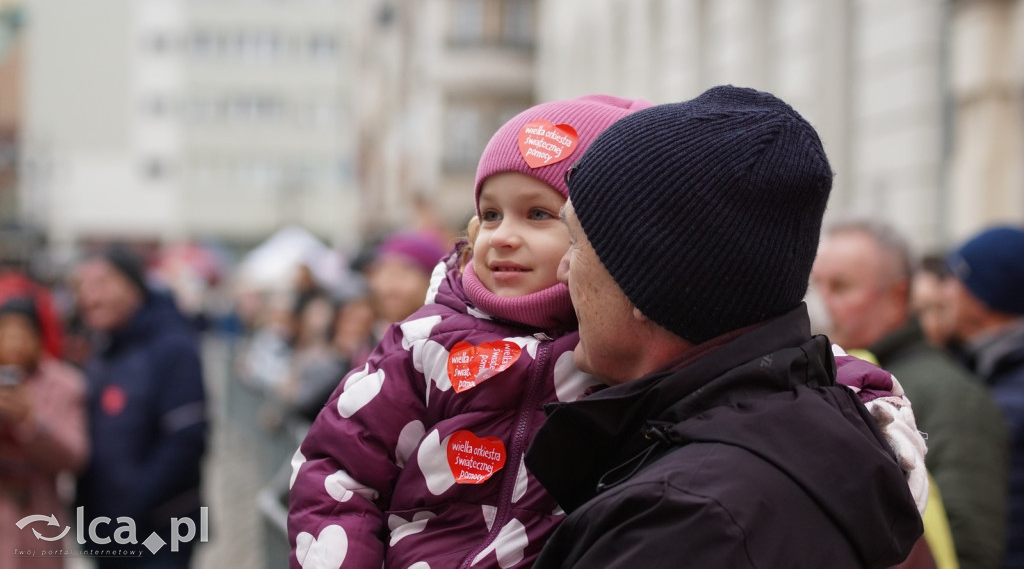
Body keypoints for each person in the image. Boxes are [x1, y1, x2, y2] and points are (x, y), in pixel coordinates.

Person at [289, 92, 926, 569]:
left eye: (555, 222)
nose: (509, 238)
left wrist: (879, 411)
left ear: (644, 278)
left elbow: (831, 371)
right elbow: (335, 469)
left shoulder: (688, 512)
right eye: (488, 215)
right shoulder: (429, 338)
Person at [523, 86, 924, 569]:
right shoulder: (800, 441)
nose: (563, 270)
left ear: (649, 282)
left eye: (576, 241)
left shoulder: (684, 522)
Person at [812, 220, 1008, 569]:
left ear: (897, 295)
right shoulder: (829, 380)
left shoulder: (948, 393)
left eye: (840, 288)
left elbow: (970, 545)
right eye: (817, 286)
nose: (823, 303)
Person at [73, 246, 208, 568]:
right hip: (109, 532)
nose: (90, 297)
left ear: (134, 287)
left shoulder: (172, 346)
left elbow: (187, 440)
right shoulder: (104, 349)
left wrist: (129, 507)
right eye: (83, 287)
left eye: (102, 283)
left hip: (160, 534)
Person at [945, 225, 1024, 569]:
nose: (942, 293)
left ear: (981, 299)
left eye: (954, 281)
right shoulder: (979, 363)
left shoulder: (1007, 404)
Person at [0, 297, 88, 569]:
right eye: (6, 332)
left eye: (22, 332)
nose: (14, 342)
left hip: (38, 514)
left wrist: (30, 420)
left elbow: (74, 457)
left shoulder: (63, 384)